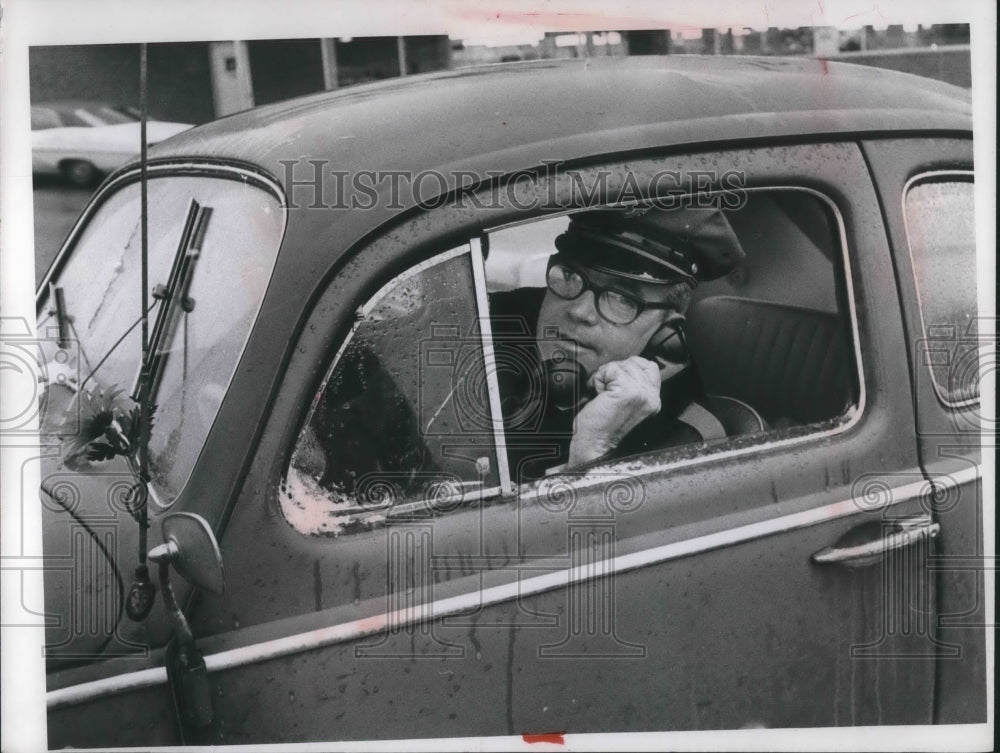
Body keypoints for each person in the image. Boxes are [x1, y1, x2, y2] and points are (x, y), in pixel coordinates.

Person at [489, 204, 746, 482]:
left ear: (665, 333)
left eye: (623, 299)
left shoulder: (688, 444)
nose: (580, 312)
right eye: (571, 275)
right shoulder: (483, 324)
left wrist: (593, 454)